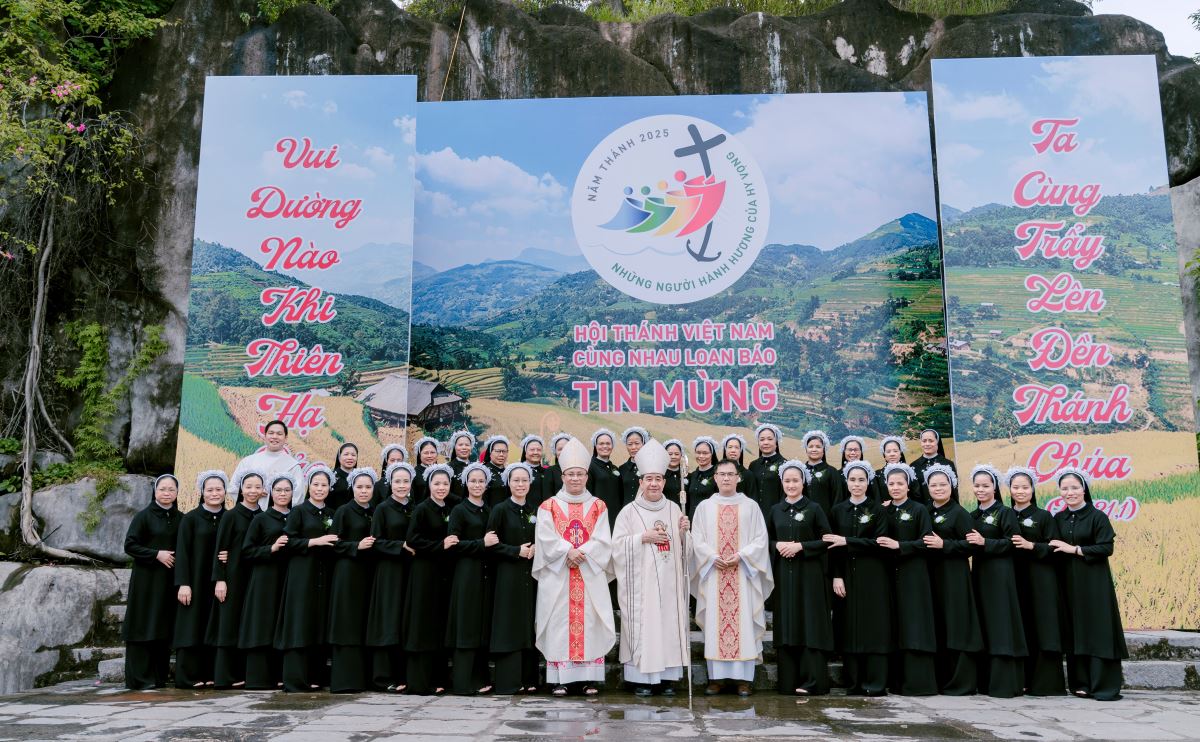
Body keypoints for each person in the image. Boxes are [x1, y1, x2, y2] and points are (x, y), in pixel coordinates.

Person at [533, 437, 615, 697]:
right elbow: (545, 538)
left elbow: (603, 539)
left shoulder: (598, 506)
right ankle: (561, 680)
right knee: (559, 624)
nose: (575, 479)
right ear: (563, 476)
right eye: (571, 474)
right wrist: (567, 551)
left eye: (580, 474)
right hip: (559, 575)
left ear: (587, 476)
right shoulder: (548, 506)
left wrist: (582, 553)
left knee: (589, 623)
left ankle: (588, 679)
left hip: (588, 574)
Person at [612, 439, 692, 697]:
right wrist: (642, 538)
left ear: (664, 482)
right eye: (649, 479)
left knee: (668, 625)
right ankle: (642, 680)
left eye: (658, 479)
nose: (654, 484)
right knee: (646, 626)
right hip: (641, 585)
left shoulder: (674, 509)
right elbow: (616, 547)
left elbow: (685, 552)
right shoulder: (628, 512)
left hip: (670, 584)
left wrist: (684, 534)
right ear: (641, 482)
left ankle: (667, 679)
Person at [692, 459, 773, 697]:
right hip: (714, 573)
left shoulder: (751, 506)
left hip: (743, 574)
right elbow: (696, 538)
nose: (726, 478)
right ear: (715, 477)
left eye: (730, 474)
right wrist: (710, 557)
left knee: (744, 625)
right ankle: (716, 679)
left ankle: (743, 680)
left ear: (739, 477)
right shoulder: (704, 507)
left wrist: (741, 556)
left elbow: (761, 539)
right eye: (722, 474)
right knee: (715, 626)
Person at [1049, 468, 1128, 701]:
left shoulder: (1097, 517)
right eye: (1065, 488)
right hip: (1068, 583)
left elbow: (1106, 548)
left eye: (1074, 487)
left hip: (1095, 582)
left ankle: (1103, 684)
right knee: (1076, 628)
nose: (1070, 492)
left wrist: (1074, 549)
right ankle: (1080, 682)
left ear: (1084, 489)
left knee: (1098, 628)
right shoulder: (1059, 518)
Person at [824, 460, 891, 696]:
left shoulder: (878, 510)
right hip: (845, 576)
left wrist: (848, 541)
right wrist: (836, 576)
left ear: (868, 482)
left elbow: (880, 543)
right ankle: (853, 682)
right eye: (852, 479)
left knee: (873, 626)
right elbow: (832, 547)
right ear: (846, 481)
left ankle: (875, 683)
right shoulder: (837, 510)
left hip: (873, 575)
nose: (857, 484)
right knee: (849, 626)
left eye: (861, 480)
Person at [766, 460, 833, 696]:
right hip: (784, 577)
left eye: (795, 480)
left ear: (803, 482)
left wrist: (801, 546)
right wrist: (777, 545)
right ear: (782, 483)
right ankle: (788, 682)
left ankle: (813, 682)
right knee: (787, 623)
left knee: (810, 624)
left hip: (809, 576)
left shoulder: (814, 508)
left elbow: (827, 539)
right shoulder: (775, 510)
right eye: (787, 481)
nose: (791, 485)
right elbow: (766, 540)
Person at [275, 465, 339, 692]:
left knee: (317, 624)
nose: (320, 489)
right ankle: (295, 679)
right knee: (299, 622)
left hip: (323, 575)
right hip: (301, 575)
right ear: (308, 486)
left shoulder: (332, 513)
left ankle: (315, 677)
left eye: (324, 485)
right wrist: (314, 542)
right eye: (315, 484)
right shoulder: (299, 511)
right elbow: (287, 542)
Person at [875, 462, 937, 696]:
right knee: (897, 626)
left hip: (914, 574)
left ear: (908, 486)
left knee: (915, 624)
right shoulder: (884, 510)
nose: (895, 487)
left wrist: (900, 545)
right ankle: (897, 681)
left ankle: (919, 683)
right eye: (891, 484)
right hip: (891, 575)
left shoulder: (919, 510)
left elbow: (926, 542)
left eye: (900, 483)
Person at [966, 464, 1028, 698]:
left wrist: (986, 543)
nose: (981, 490)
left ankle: (1005, 683)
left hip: (1001, 575)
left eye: (985, 485)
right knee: (984, 624)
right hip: (980, 574)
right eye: (977, 486)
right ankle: (985, 682)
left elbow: (1014, 542)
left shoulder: (1005, 512)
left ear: (995, 487)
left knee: (1001, 623)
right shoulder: (972, 516)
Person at [1006, 466, 1066, 696]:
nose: (1020, 491)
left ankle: (1045, 684)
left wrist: (1032, 546)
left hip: (1041, 579)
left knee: (1042, 627)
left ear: (1032, 489)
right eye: (1016, 487)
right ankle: (1021, 679)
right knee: (1021, 627)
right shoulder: (1005, 514)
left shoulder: (1043, 516)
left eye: (1025, 487)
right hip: (1014, 578)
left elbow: (1055, 547)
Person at [922, 464, 982, 695]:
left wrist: (944, 544)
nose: (938, 488)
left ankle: (961, 682)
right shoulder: (925, 510)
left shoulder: (959, 513)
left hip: (954, 575)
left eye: (943, 484)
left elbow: (971, 545)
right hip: (932, 574)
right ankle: (941, 679)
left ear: (951, 486)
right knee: (939, 624)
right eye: (934, 485)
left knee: (957, 624)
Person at [122, 474, 181, 690]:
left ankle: (158, 677)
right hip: (146, 581)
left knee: (162, 627)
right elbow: (130, 545)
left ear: (177, 493)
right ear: (155, 491)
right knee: (143, 625)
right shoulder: (143, 517)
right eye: (162, 489)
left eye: (171, 489)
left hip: (169, 581)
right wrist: (156, 554)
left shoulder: (181, 518)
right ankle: (140, 678)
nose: (167, 493)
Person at [207, 470, 264, 688]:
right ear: (240, 489)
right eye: (248, 486)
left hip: (254, 577)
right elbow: (220, 549)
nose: (252, 491)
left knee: (246, 624)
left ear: (263, 490)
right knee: (228, 624)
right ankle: (224, 676)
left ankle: (244, 673)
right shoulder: (231, 516)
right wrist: (220, 579)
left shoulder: (263, 515)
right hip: (232, 577)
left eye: (257, 487)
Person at [488, 462, 541, 695]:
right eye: (516, 480)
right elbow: (491, 544)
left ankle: (529, 680)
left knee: (528, 623)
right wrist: (515, 551)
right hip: (507, 575)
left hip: (530, 575)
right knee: (509, 623)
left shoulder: (536, 510)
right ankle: (509, 681)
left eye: (524, 480)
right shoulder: (500, 510)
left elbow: (544, 537)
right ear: (508, 483)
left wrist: (537, 548)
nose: (520, 484)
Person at [238, 472, 294, 690]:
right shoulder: (261, 518)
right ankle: (259, 678)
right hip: (264, 578)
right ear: (270, 492)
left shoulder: (296, 516)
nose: (282, 494)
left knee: (282, 625)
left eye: (287, 490)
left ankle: (281, 675)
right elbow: (247, 551)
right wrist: (271, 548)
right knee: (262, 624)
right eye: (278, 490)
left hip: (288, 577)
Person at [405, 464, 456, 694]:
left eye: (445, 483)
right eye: (437, 483)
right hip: (424, 572)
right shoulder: (422, 509)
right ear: (429, 485)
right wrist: (439, 545)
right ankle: (420, 681)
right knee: (422, 623)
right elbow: (413, 539)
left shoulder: (450, 508)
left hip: (442, 573)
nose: (441, 487)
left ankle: (439, 679)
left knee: (438, 624)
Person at [173, 470, 227, 688]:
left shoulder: (229, 517)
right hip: (195, 580)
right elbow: (182, 553)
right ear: (202, 492)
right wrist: (183, 583)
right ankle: (189, 676)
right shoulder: (190, 519)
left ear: (225, 491)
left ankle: (211, 673)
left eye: (218, 489)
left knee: (214, 627)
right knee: (192, 625)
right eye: (210, 489)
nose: (214, 493)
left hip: (220, 582)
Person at [366, 462, 417, 692]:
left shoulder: (415, 507)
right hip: (389, 571)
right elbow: (375, 541)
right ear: (390, 483)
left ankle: (403, 675)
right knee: (388, 620)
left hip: (410, 570)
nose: (402, 485)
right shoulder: (383, 508)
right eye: (397, 481)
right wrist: (400, 546)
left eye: (406, 481)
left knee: (404, 621)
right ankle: (383, 677)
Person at [446, 462, 496, 695]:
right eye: (473, 481)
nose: (477, 485)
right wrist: (480, 543)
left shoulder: (489, 510)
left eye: (481, 481)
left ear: (486, 484)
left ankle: (480, 678)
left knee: (481, 625)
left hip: (485, 573)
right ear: (466, 483)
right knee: (466, 624)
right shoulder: (459, 510)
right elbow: (453, 545)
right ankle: (463, 682)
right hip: (466, 573)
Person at [328, 468, 378, 693]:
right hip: (347, 572)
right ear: (352, 488)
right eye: (360, 487)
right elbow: (334, 543)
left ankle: (364, 678)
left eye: (368, 487)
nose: (364, 491)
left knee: (362, 623)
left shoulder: (375, 511)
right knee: (347, 622)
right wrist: (356, 545)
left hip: (368, 572)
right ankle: (344, 680)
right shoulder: (344, 511)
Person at [229, 419, 302, 507]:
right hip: (250, 513)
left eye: (279, 434)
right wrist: (253, 494)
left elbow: (298, 496)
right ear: (265, 436)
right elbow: (233, 488)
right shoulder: (248, 461)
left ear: (285, 438)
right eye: (271, 433)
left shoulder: (293, 466)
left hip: (279, 514)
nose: (274, 436)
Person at [872, 436, 924, 506]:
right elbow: (876, 498)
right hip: (885, 511)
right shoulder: (877, 475)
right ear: (884, 455)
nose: (892, 454)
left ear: (900, 454)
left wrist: (894, 502)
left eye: (895, 451)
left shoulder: (909, 472)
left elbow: (916, 496)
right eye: (888, 451)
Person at [749, 423, 786, 517]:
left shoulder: (784, 464)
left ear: (776, 441)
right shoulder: (753, 465)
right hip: (754, 515)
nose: (765, 442)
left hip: (776, 515)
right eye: (762, 439)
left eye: (770, 439)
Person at [801, 430, 842, 515]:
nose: (814, 449)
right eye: (810, 446)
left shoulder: (832, 472)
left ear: (823, 450)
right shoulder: (800, 471)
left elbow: (837, 498)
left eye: (818, 447)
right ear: (806, 449)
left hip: (825, 517)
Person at [588, 428, 623, 527]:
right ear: (595, 446)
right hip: (598, 517)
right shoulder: (589, 467)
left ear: (612, 446)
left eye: (608, 443)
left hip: (616, 517)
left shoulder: (615, 468)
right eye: (601, 443)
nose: (605, 446)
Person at [912, 429, 957, 502]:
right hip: (921, 507)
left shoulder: (948, 464)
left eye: (931, 441)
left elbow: (954, 491)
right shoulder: (914, 466)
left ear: (937, 442)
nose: (927, 444)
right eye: (924, 441)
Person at [719, 432, 760, 504]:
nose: (733, 450)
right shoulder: (718, 472)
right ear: (725, 450)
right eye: (730, 447)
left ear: (741, 451)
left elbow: (753, 500)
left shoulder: (748, 475)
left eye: (736, 447)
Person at [685, 436, 719, 517]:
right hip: (692, 520)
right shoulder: (692, 476)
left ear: (712, 454)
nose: (701, 456)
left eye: (705, 453)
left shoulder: (718, 476)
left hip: (709, 519)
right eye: (698, 452)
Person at [618, 426, 648, 506]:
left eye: (637, 443)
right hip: (625, 511)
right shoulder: (622, 469)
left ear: (644, 444)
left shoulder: (650, 467)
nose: (633, 447)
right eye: (630, 444)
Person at [518, 434, 550, 507]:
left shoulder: (547, 472)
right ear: (525, 452)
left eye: (539, 450)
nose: (535, 452)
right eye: (532, 450)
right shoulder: (518, 471)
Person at [328, 443, 359, 512]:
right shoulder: (331, 477)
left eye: (353, 455)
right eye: (346, 454)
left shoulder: (361, 477)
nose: (350, 457)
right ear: (339, 457)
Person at [480, 435, 510, 507]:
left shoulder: (509, 472)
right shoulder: (483, 472)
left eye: (504, 451)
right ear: (490, 452)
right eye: (498, 451)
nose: (501, 454)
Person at [448, 430, 476, 501]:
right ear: (455, 447)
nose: (464, 447)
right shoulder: (448, 468)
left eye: (467, 445)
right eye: (460, 445)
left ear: (471, 447)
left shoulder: (475, 467)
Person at [544, 432, 572, 503]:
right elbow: (547, 498)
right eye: (560, 449)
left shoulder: (580, 469)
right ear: (555, 452)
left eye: (566, 448)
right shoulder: (550, 471)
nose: (564, 451)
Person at [411, 436, 440, 504]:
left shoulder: (442, 471)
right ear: (420, 454)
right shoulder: (413, 473)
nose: (429, 456)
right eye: (426, 453)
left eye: (432, 452)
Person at [662, 439, 684, 505]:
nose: (673, 457)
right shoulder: (660, 476)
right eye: (670, 454)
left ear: (681, 455)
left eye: (676, 454)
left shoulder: (687, 475)